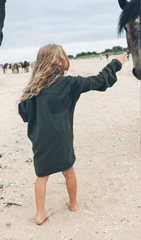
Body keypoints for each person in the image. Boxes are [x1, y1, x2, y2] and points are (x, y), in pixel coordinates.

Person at [18, 44, 128, 225]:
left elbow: (24, 113)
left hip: (40, 139)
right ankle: (74, 204)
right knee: (68, 171)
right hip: (63, 137)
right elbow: (99, 81)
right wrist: (115, 64)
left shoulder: (33, 89)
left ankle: (40, 214)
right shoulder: (69, 84)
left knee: (42, 176)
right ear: (60, 61)